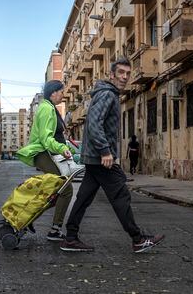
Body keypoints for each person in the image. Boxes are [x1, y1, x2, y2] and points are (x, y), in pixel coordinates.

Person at [60, 57, 165, 253]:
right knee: (120, 194)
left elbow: (95, 123)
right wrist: (105, 151)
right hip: (100, 158)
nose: (125, 77)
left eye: (127, 73)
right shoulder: (107, 94)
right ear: (111, 75)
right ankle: (138, 238)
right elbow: (93, 123)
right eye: (120, 73)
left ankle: (71, 237)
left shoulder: (107, 94)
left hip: (94, 158)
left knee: (83, 197)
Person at [17, 80, 73, 241]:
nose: (63, 95)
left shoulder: (49, 108)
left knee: (57, 192)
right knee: (65, 189)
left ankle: (29, 218)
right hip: (43, 153)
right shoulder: (47, 109)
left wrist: (65, 144)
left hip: (46, 153)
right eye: (61, 91)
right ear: (53, 93)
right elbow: (45, 138)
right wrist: (62, 148)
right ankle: (54, 230)